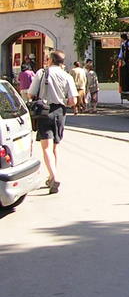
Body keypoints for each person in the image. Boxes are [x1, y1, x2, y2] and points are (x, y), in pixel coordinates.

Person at [28, 50, 78, 195]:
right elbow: (73, 101)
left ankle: (54, 176)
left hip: (44, 111)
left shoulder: (41, 73)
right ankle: (51, 176)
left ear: (50, 60)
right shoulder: (67, 76)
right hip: (60, 112)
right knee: (55, 146)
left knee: (46, 147)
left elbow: (31, 93)